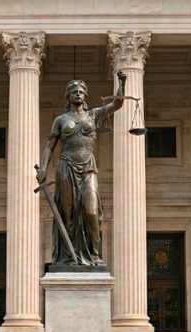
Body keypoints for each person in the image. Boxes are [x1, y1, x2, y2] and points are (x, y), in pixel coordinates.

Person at [37, 71, 127, 266]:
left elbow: (118, 103)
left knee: (91, 211)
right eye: (74, 91)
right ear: (68, 96)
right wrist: (42, 169)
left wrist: (122, 82)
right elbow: (49, 147)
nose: (78, 93)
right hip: (66, 167)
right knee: (67, 213)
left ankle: (94, 256)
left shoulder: (93, 115)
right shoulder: (60, 120)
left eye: (81, 91)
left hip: (87, 168)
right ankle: (68, 258)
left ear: (85, 95)